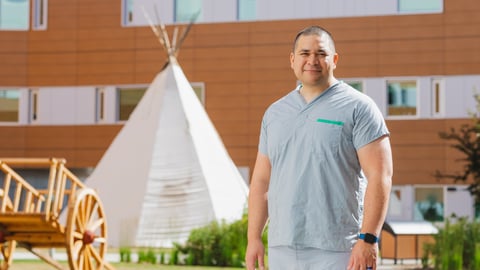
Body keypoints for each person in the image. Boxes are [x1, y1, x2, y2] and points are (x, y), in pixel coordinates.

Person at [245, 26, 393, 270]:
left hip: (340, 248)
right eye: (304, 53)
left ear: (334, 60)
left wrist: (368, 239)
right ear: (293, 60)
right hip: (283, 246)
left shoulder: (359, 108)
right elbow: (261, 181)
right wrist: (253, 238)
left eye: (321, 54)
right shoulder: (275, 113)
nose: (312, 60)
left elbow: (381, 175)